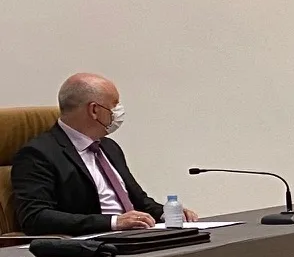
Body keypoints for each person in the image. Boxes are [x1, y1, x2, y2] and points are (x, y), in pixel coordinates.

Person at [11, 72, 194, 235]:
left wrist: (168, 213)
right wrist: (113, 222)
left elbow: (138, 200)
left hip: (135, 237)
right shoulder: (38, 154)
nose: (118, 112)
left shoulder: (109, 147)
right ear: (94, 110)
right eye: (114, 105)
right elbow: (35, 217)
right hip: (96, 246)